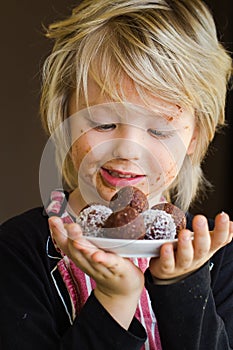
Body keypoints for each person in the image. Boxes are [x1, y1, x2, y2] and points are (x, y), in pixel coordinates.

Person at [0, 0, 233, 349]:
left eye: (159, 131)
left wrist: (184, 286)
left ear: (195, 136)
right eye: (103, 123)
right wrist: (114, 300)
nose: (128, 149)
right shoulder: (18, 252)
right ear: (65, 118)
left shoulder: (217, 259)